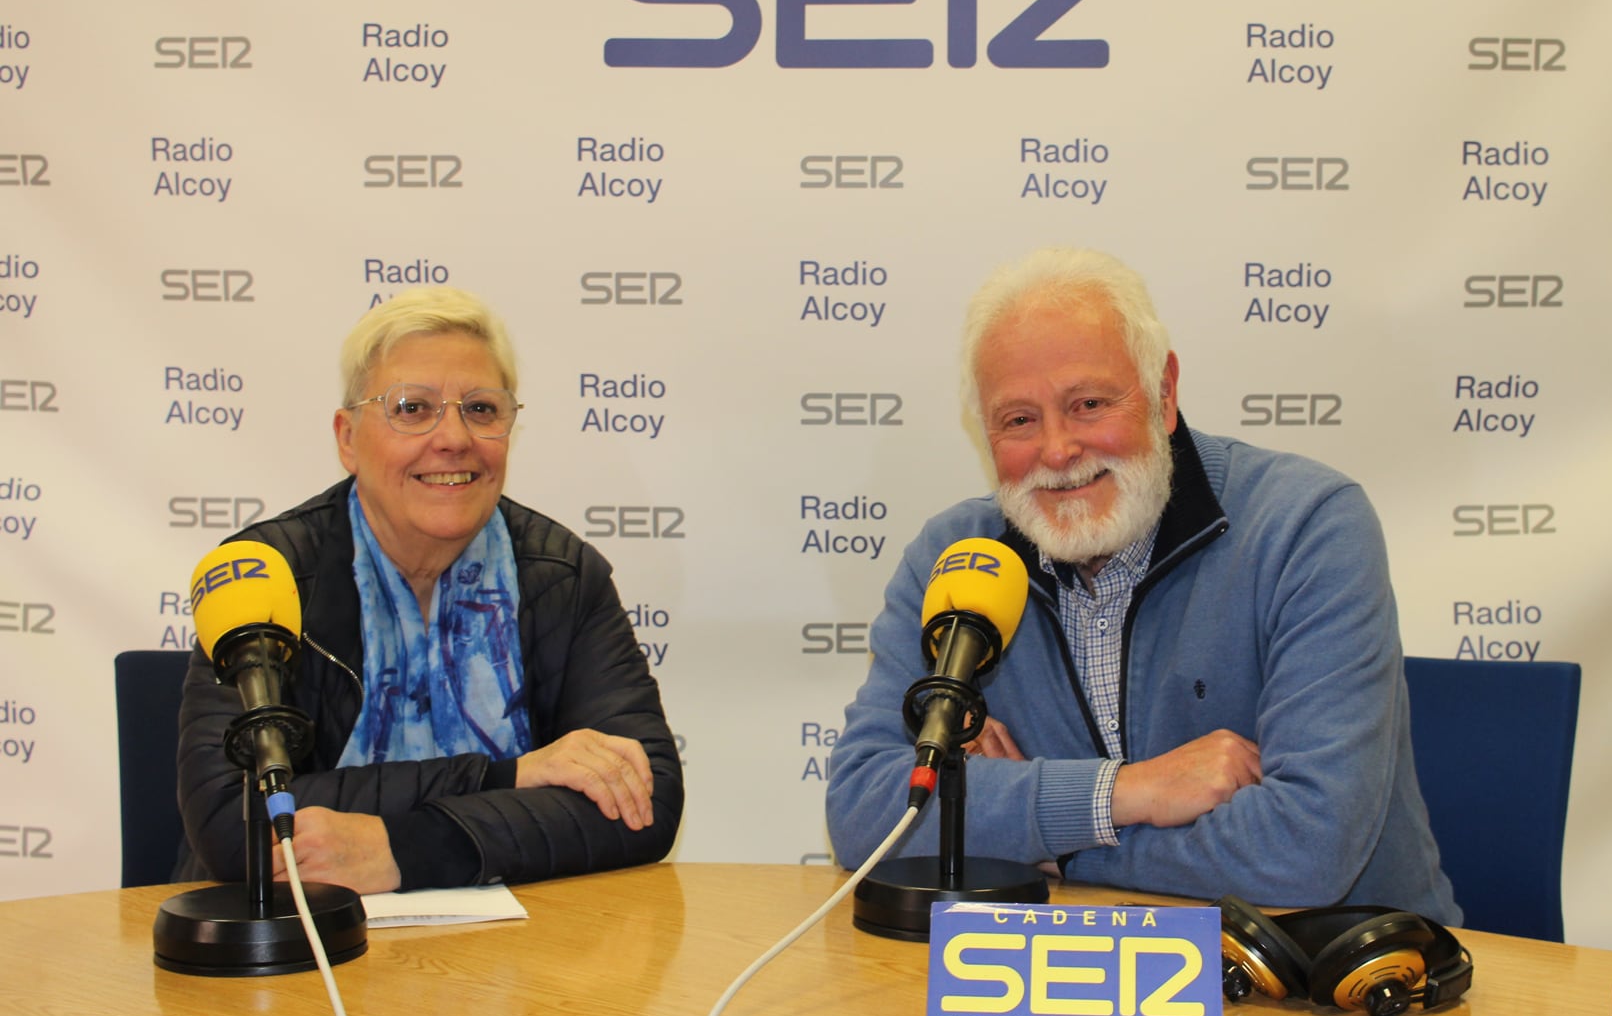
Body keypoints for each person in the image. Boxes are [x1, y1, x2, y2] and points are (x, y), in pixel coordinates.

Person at [826, 247, 1459, 923]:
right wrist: (1123, 793)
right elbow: (864, 811)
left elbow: (1307, 849)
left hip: (1338, 990)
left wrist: (1042, 839)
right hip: (1068, 984)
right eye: (1018, 419)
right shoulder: (955, 561)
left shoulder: (1307, 526)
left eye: (1088, 403)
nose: (1058, 450)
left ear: (1164, 393)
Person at [176, 287, 683, 893]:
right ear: (347, 438)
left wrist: (404, 849)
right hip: (301, 950)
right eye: (412, 409)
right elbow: (239, 825)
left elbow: (642, 801)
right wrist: (512, 775)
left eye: (481, 409)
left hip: (524, 962)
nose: (453, 438)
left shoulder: (564, 577)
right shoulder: (266, 576)